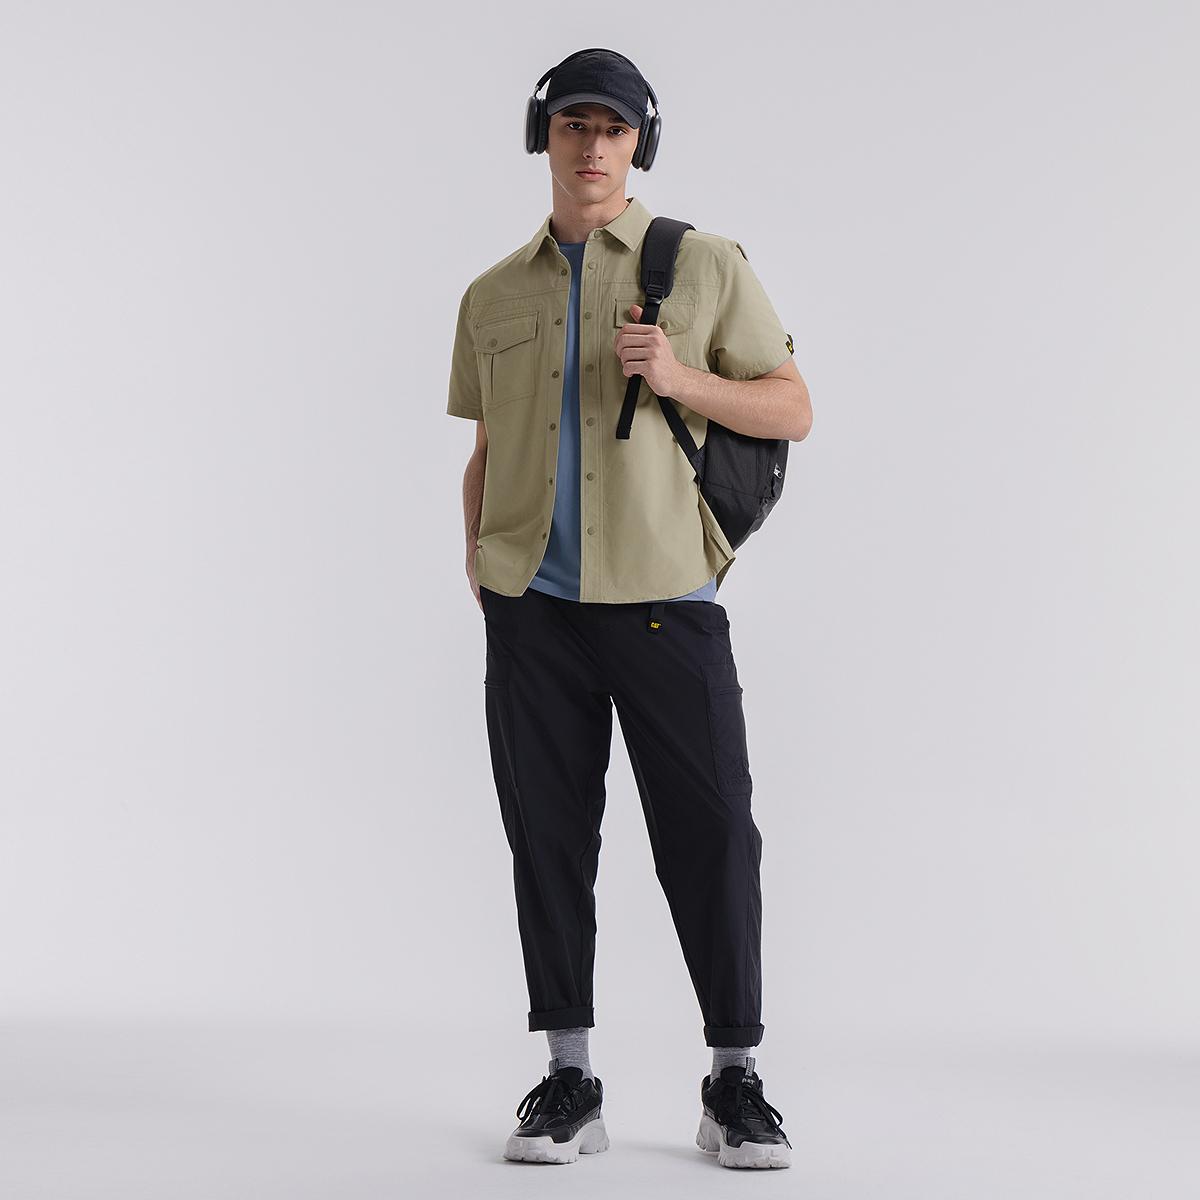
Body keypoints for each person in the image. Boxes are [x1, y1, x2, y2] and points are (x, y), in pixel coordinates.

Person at [445, 47, 811, 1169]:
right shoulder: (492, 295)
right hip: (534, 612)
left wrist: (680, 378)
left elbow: (792, 407)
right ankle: (569, 1079)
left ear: (640, 143)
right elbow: (487, 447)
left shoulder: (702, 264)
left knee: (714, 837)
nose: (593, 146)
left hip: (666, 603)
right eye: (573, 126)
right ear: (542, 137)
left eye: (613, 128)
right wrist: (480, 559)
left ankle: (735, 1082)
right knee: (548, 841)